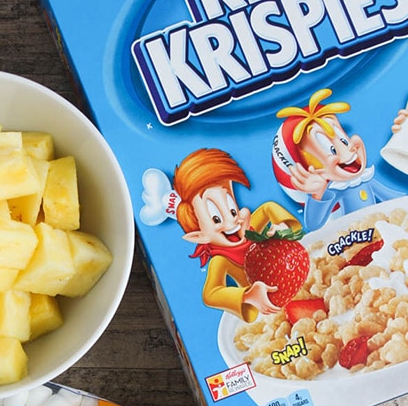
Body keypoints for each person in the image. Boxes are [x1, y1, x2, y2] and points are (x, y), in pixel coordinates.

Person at [171, 148, 302, 321]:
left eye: (233, 210)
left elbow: (268, 208)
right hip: (266, 312)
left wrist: (283, 227)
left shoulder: (250, 230)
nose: (232, 222)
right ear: (198, 236)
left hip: (296, 283)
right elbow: (211, 293)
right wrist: (247, 295)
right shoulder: (221, 260)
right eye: (216, 219)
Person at [272, 88, 407, 230]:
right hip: (352, 240)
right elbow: (314, 224)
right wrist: (317, 195)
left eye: (344, 140)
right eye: (331, 149)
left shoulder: (365, 180)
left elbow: (395, 198)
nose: (347, 151)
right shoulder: (333, 191)